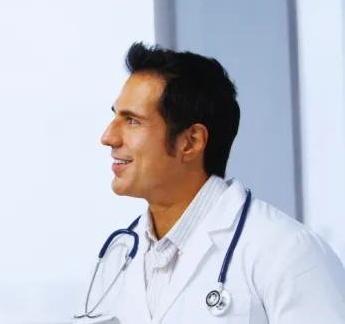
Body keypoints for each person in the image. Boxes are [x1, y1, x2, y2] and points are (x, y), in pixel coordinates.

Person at [74, 42, 345, 323]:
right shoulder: (119, 257)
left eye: (132, 121)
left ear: (191, 142)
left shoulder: (287, 253)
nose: (108, 137)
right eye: (115, 116)